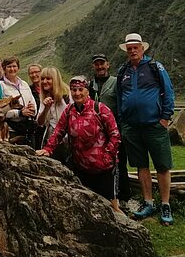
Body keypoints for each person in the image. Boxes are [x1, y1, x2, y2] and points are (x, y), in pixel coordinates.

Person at [36, 76, 121, 212]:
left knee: (110, 207)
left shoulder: (100, 109)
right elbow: (59, 131)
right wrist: (48, 149)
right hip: (80, 167)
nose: (77, 93)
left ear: (87, 91)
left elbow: (115, 135)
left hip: (103, 169)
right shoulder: (69, 111)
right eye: (74, 90)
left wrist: (107, 156)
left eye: (81, 89)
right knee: (86, 206)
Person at [116, 33, 175, 225]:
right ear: (126, 51)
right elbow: (119, 97)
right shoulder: (123, 70)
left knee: (162, 165)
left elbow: (168, 92)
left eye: (136, 47)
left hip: (154, 125)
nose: (133, 50)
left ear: (143, 49)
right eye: (129, 48)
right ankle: (148, 202)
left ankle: (165, 204)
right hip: (132, 127)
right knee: (141, 165)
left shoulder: (155, 67)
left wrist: (165, 118)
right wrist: (123, 121)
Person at [89, 53, 131, 211]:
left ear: (108, 64)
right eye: (96, 64)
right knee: (100, 164)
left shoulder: (116, 83)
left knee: (120, 163)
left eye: (102, 63)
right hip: (96, 134)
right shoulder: (89, 85)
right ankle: (105, 195)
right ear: (93, 66)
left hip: (116, 131)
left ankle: (124, 197)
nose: (99, 67)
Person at [0, 57, 37, 146]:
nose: (12, 69)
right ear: (4, 69)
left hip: (28, 128)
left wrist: (32, 109)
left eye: (14, 66)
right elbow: (0, 111)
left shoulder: (24, 84)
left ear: (18, 68)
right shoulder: (0, 86)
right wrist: (19, 113)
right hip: (12, 130)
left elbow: (32, 102)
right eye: (9, 67)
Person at [36, 67, 71, 151]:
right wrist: (46, 108)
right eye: (42, 79)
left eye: (48, 79)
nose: (44, 82)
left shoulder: (67, 95)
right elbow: (40, 122)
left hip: (67, 136)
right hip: (50, 135)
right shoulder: (44, 96)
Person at [28, 63, 45, 149]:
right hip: (36, 128)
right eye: (31, 73)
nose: (34, 75)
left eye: (36, 72)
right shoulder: (28, 90)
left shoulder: (48, 88)